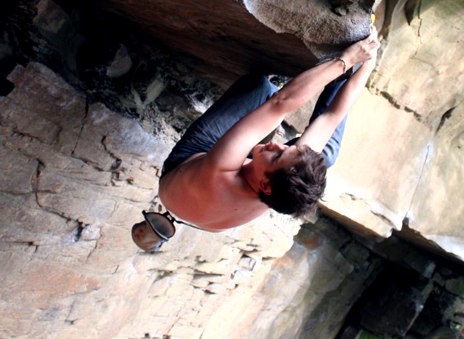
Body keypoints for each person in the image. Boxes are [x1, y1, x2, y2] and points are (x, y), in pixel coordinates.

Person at [132, 28, 379, 251]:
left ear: (267, 186)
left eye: (279, 154)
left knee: (262, 91)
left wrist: (345, 59)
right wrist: (366, 60)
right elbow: (332, 117)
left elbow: (281, 103)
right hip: (208, 184)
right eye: (285, 149)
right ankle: (339, 78)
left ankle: (301, 81)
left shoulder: (220, 172)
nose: (277, 143)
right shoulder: (283, 190)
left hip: (191, 165)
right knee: (326, 155)